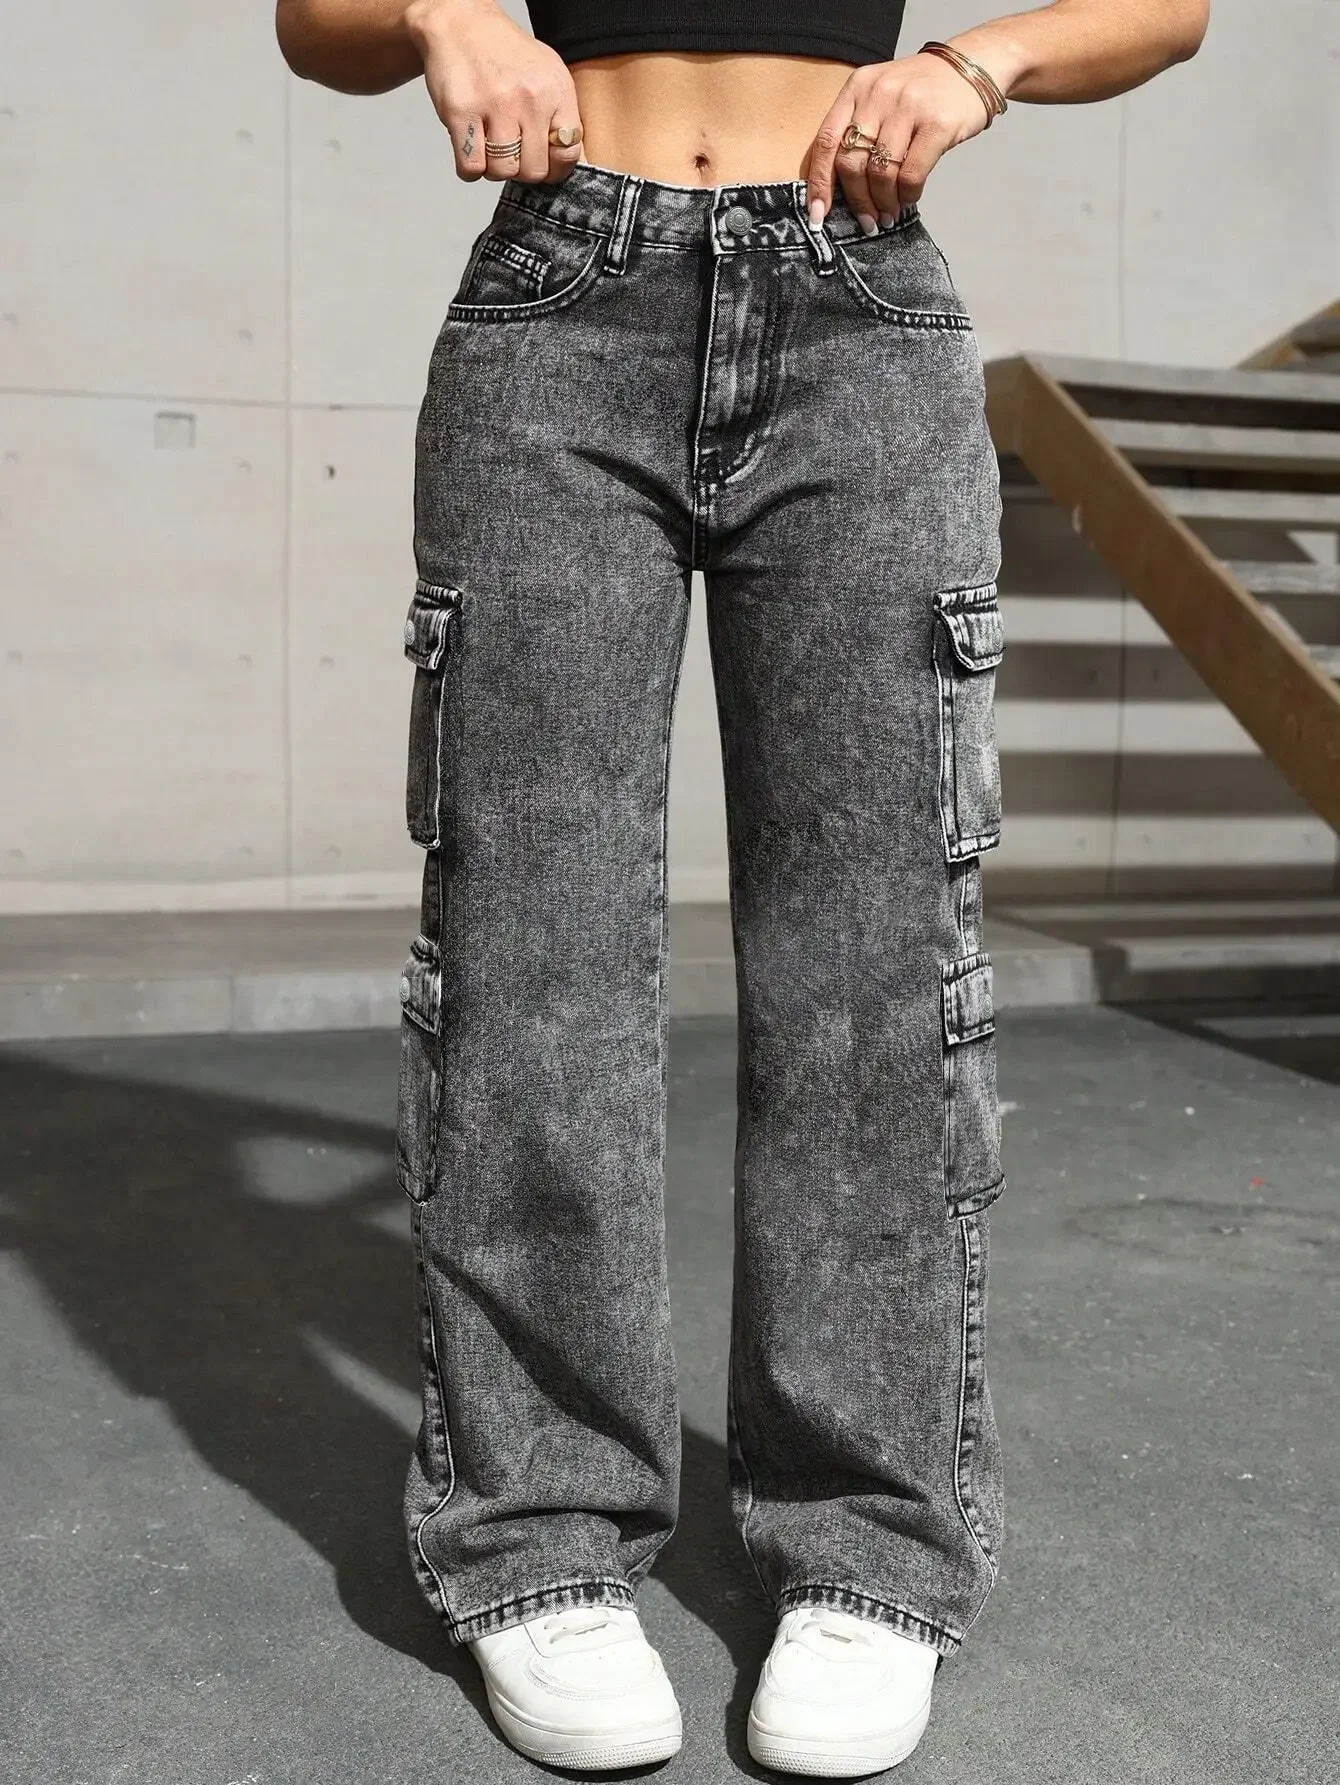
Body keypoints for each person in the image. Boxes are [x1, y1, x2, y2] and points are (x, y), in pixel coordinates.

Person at [276, 1, 1209, 1773]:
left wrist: (977, 68)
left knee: (875, 966)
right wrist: (441, 13)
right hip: (559, 307)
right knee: (530, 953)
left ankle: (866, 1549)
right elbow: (314, 29)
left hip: (860, 304)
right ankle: (541, 1539)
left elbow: (1171, 12)